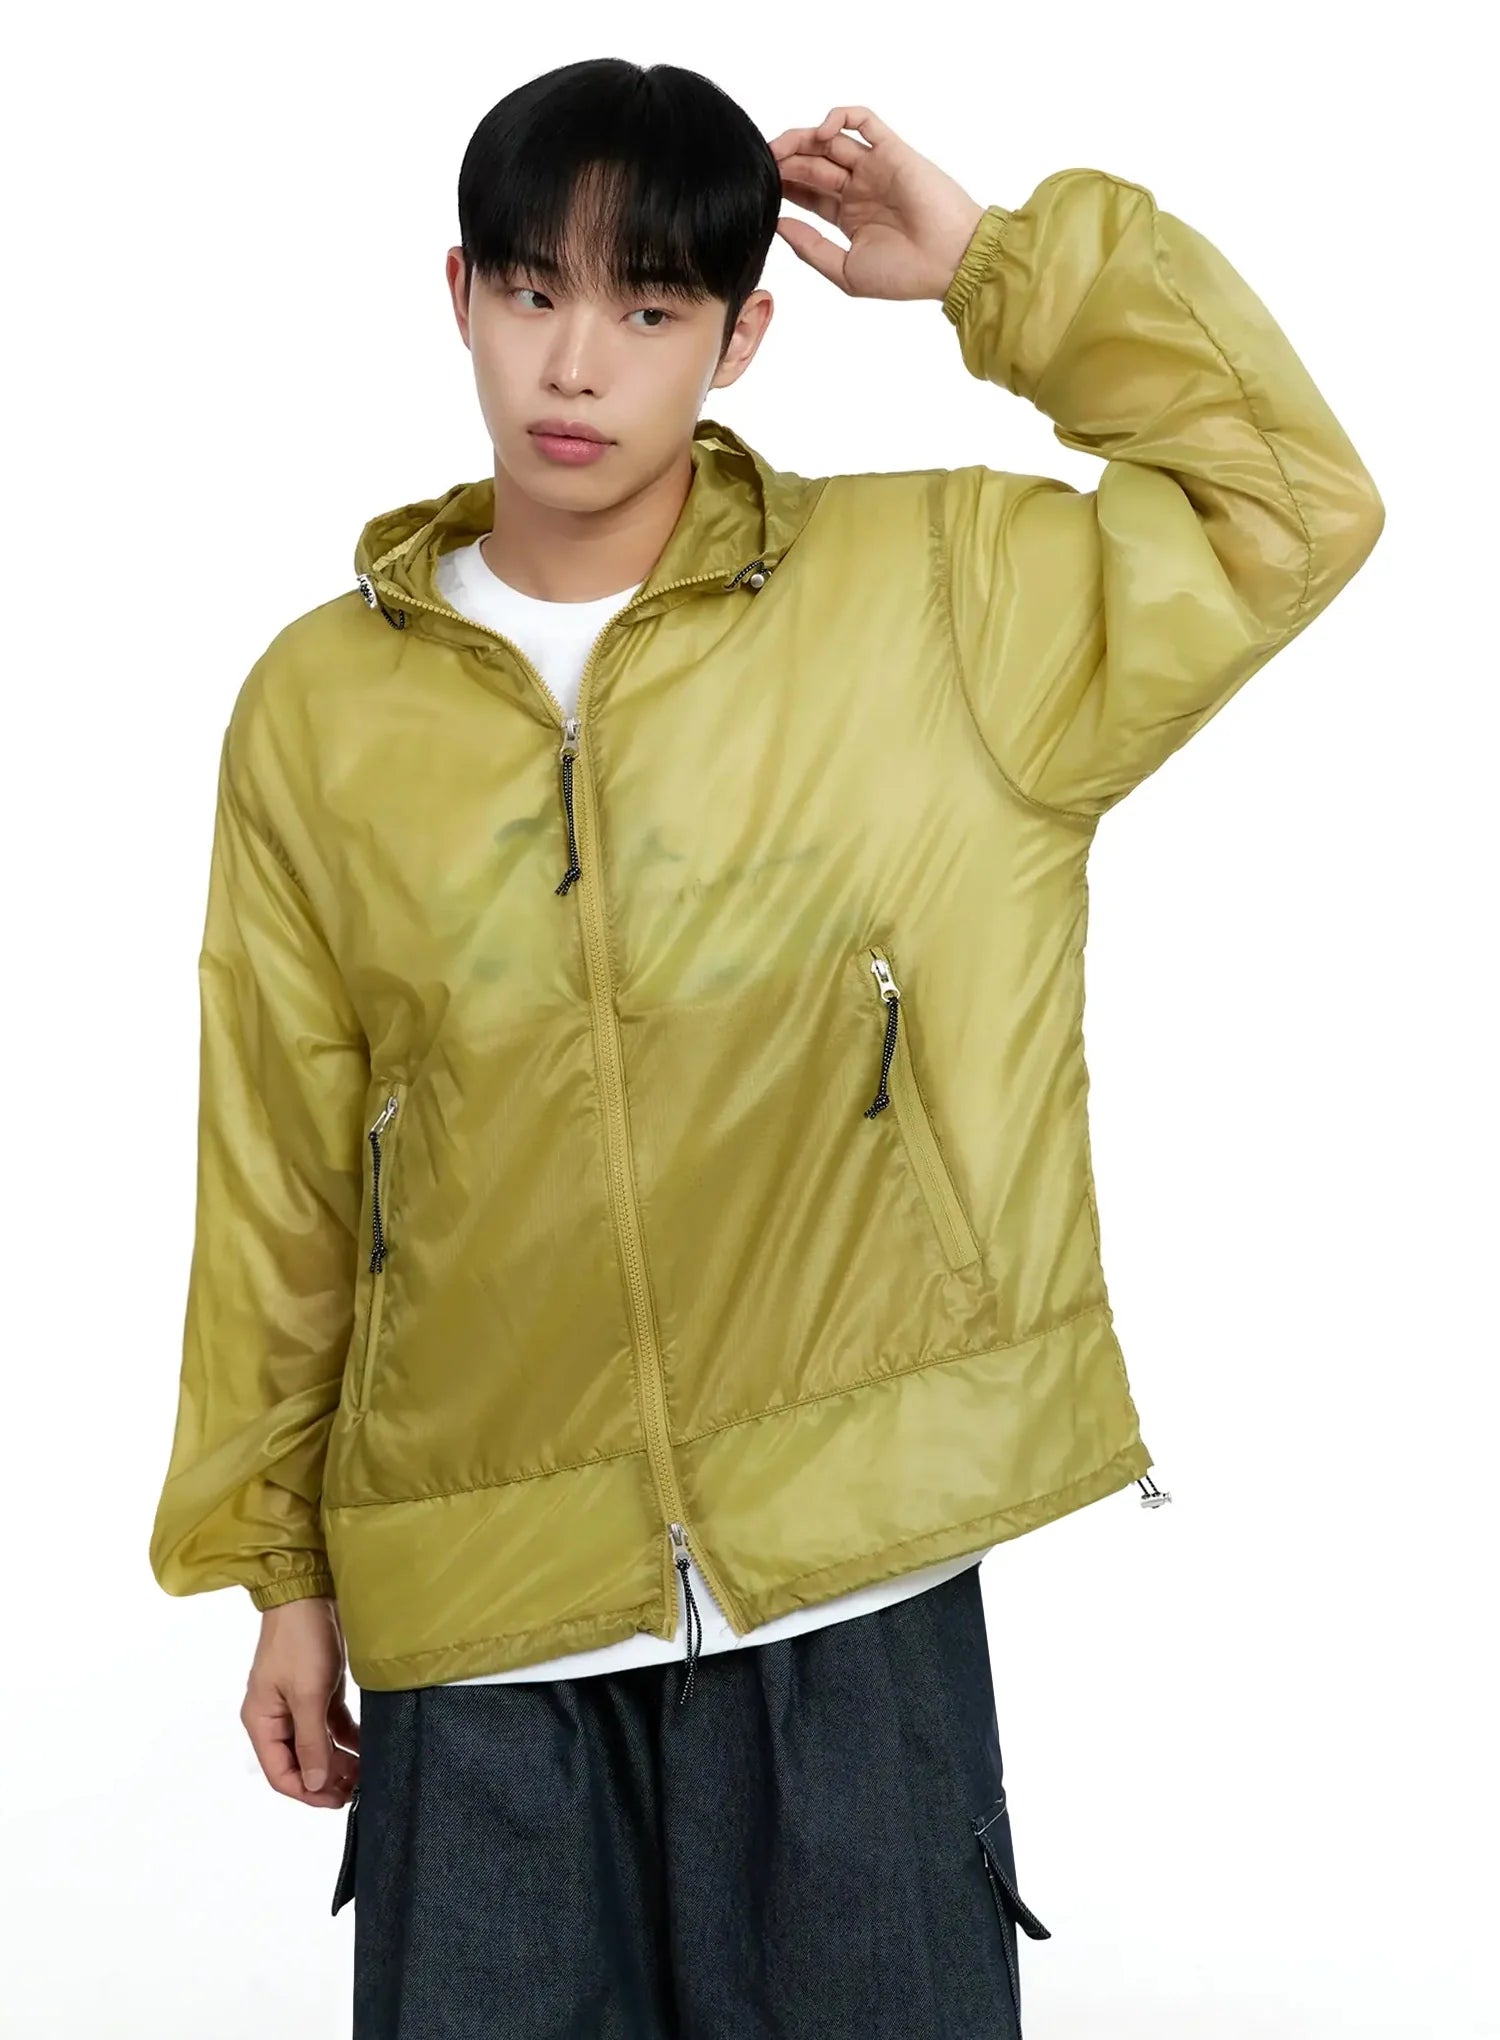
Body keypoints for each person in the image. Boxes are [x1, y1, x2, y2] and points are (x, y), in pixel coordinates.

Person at [147, 57, 1384, 2039]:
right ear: (458, 293)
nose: (577, 362)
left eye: (650, 308)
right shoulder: (320, 705)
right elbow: (281, 1160)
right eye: (533, 291)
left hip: (850, 1602)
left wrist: (993, 269)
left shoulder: (936, 602)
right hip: (477, 1633)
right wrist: (279, 1571)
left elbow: (1289, 507)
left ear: (742, 337)